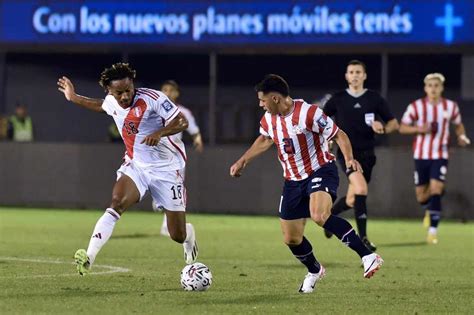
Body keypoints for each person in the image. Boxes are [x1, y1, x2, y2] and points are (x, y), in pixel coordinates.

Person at [230, 74, 383, 293]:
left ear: (274, 98)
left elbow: (339, 135)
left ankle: (368, 256)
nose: (260, 104)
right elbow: (265, 139)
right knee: (291, 238)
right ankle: (314, 270)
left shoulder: (309, 113)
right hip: (292, 180)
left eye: (262, 100)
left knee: (319, 215)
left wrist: (349, 159)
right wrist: (243, 160)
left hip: (321, 169)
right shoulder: (268, 119)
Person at [57, 62, 198, 275]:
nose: (124, 96)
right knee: (116, 202)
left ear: (133, 85)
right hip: (136, 166)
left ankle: (188, 235)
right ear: (110, 92)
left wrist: (159, 132)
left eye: (128, 90)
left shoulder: (153, 98)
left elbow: (182, 122)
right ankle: (89, 256)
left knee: (176, 234)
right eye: (119, 92)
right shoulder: (112, 102)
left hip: (167, 169)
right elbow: (100, 105)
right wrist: (73, 97)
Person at [322, 60, 399, 251]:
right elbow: (320, 121)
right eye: (351, 72)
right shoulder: (338, 99)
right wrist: (329, 139)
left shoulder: (374, 99)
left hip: (368, 155)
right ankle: (363, 239)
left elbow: (393, 124)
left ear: (364, 76)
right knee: (362, 190)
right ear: (346, 76)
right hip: (348, 154)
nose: (355, 75)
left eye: (358, 72)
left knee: (351, 199)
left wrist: (383, 128)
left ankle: (330, 216)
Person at [399, 73, 470, 244]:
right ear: (425, 88)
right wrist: (418, 129)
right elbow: (402, 127)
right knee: (422, 197)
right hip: (421, 155)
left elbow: (458, 125)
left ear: (441, 88)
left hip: (440, 154)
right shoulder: (416, 106)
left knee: (436, 189)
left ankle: (432, 232)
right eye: (430, 85)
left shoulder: (450, 107)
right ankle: (429, 208)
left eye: (436, 85)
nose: (433, 88)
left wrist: (462, 136)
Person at [153, 80, 204, 237]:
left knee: (175, 192)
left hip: (175, 156)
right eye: (164, 89)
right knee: (157, 186)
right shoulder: (153, 110)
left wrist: (197, 139)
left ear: (176, 93)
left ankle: (166, 226)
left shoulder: (183, 112)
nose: (167, 93)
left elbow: (194, 130)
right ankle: (157, 199)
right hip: (156, 154)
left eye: (171, 90)